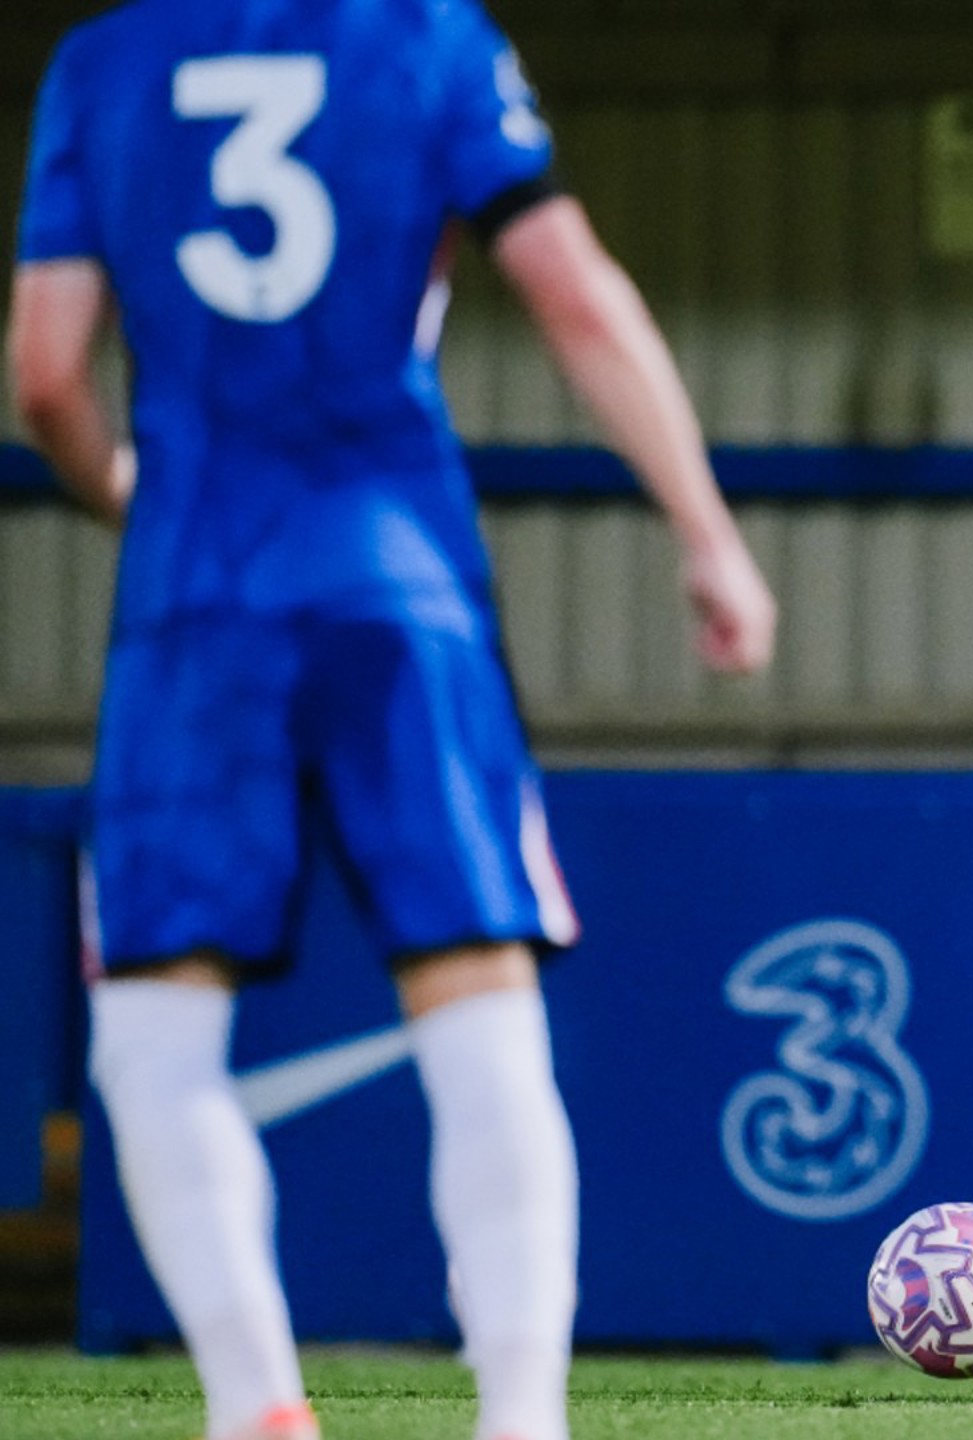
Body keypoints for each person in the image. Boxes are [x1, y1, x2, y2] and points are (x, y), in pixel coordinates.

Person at [8, 2, 776, 1436]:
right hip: (396, 577)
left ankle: (256, 1408)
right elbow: (574, 292)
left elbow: (45, 371)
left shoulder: (102, 62)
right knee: (475, 997)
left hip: (194, 595)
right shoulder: (426, 41)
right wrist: (705, 529)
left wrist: (133, 494)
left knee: (154, 1032)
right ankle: (522, 1418)